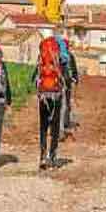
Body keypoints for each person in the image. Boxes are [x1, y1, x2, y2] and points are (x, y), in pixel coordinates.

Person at [31, 34, 65, 170]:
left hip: (43, 95)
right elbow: (65, 76)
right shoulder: (59, 59)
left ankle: (42, 156)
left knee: (43, 126)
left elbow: (34, 77)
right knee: (55, 126)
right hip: (56, 95)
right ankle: (52, 156)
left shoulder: (41, 60)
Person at [58, 35, 79, 133]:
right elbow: (74, 70)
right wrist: (75, 80)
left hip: (53, 85)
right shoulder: (69, 56)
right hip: (65, 84)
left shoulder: (53, 55)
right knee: (65, 104)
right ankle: (63, 125)